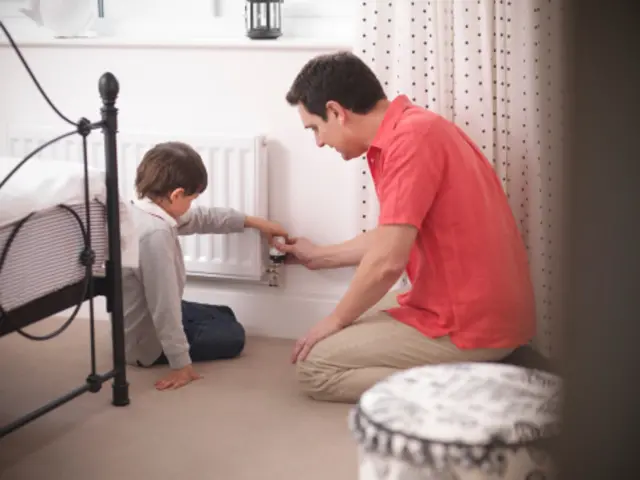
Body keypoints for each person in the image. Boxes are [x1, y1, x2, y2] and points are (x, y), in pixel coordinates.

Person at [279, 51, 536, 403]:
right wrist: (318, 256)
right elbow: (391, 238)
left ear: (337, 112)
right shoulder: (413, 128)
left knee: (316, 368)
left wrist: (335, 320)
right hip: (473, 306)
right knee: (355, 317)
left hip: (473, 323)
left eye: (316, 129)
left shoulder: (410, 142)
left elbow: (387, 261)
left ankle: (483, 386)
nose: (319, 142)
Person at [123, 141, 288, 391]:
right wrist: (181, 365)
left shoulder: (145, 211)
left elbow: (203, 218)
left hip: (139, 319)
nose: (192, 206)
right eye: (191, 199)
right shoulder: (155, 234)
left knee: (224, 313)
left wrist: (255, 222)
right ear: (176, 194)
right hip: (145, 343)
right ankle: (167, 352)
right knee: (234, 336)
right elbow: (164, 307)